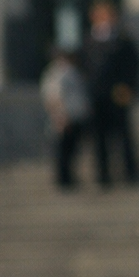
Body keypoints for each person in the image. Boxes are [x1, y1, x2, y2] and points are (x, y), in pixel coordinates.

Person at [84, 0, 139, 185]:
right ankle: (103, 176)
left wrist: (129, 87)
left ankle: (131, 173)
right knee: (99, 138)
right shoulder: (89, 40)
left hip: (118, 94)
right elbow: (85, 68)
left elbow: (134, 65)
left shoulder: (123, 40)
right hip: (97, 95)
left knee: (124, 137)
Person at [40, 46, 92, 189]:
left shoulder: (72, 71)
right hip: (65, 118)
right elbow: (53, 96)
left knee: (72, 151)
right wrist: (60, 116)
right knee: (63, 151)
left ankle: (68, 177)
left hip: (75, 117)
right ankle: (63, 179)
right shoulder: (58, 73)